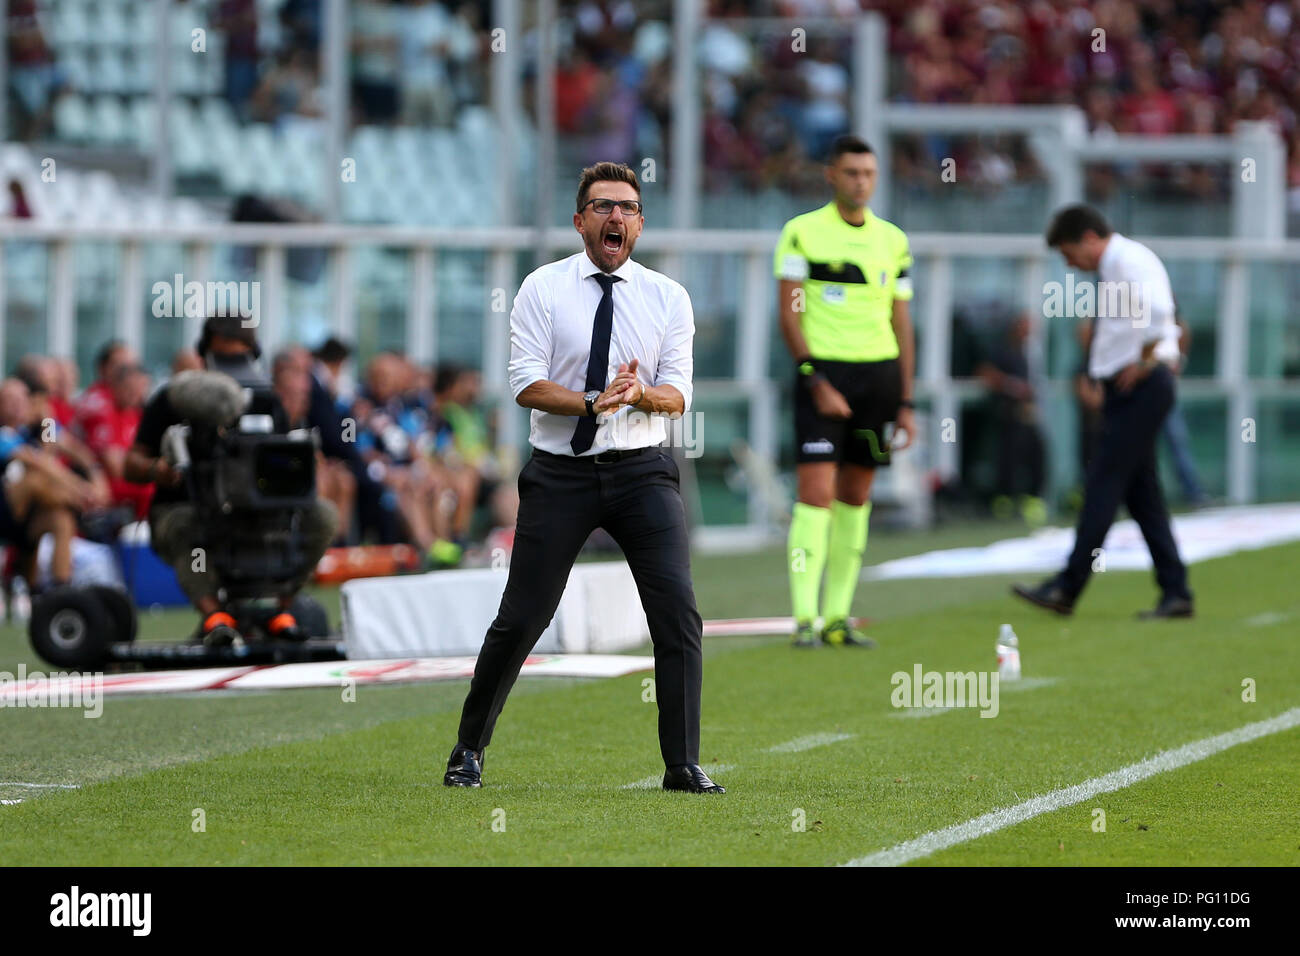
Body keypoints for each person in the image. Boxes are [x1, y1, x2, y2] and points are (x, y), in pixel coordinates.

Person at [443, 161, 721, 794]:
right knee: (523, 615)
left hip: (643, 471)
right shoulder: (542, 287)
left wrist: (640, 394)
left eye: (626, 207)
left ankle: (681, 764)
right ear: (579, 221)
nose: (614, 216)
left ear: (641, 223)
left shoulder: (667, 296)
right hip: (561, 473)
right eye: (601, 207)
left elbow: (678, 394)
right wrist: (595, 401)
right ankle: (468, 748)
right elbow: (526, 386)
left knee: (677, 611)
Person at [1013, 205, 1193, 619]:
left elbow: (1162, 315)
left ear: (1089, 238)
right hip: (1133, 387)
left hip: (1141, 388)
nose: (1069, 263)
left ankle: (1067, 585)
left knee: (1102, 482)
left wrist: (1145, 362)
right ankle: (1176, 590)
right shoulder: (1119, 264)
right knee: (1142, 495)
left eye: (1068, 252)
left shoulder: (1127, 261)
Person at [774, 135, 916, 649]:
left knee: (856, 495)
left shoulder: (893, 240)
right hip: (823, 376)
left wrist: (905, 401)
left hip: (878, 379)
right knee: (814, 495)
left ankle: (838, 618)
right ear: (831, 175)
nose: (861, 181)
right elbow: (788, 314)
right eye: (852, 172)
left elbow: (902, 322)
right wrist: (815, 379)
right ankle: (803, 619)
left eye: (869, 173)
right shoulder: (801, 233)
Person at [123, 317, 339, 646]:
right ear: (204, 354)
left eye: (238, 359)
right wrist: (160, 470)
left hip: (258, 511)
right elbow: (131, 464)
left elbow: (286, 460)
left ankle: (280, 607)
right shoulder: (174, 399)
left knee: (322, 517)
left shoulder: (268, 400)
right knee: (185, 525)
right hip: (187, 508)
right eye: (222, 358)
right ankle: (215, 617)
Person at [976, 313, 1046, 525]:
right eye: (1025, 328)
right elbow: (984, 373)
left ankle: (1031, 499)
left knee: (1037, 453)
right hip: (1006, 413)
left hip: (1024, 414)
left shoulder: (1025, 353)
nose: (1028, 333)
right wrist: (1013, 387)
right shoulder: (1000, 350)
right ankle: (1004, 501)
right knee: (1008, 458)